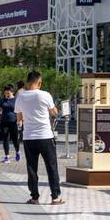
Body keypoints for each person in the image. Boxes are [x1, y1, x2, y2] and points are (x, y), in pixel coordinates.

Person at [16, 70, 64, 205]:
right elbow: (54, 113)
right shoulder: (45, 95)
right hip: (45, 136)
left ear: (27, 82)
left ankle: (34, 197)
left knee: (31, 168)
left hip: (29, 137)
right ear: (39, 82)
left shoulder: (20, 96)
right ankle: (55, 197)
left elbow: (19, 118)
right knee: (51, 166)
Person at [0, 85, 21, 162]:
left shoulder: (16, 100)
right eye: (5, 93)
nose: (7, 94)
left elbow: (19, 111)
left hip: (13, 121)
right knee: (5, 138)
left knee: (14, 139)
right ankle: (7, 156)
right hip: (4, 121)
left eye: (8, 93)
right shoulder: (2, 100)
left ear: (12, 92)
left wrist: (20, 120)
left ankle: (17, 151)